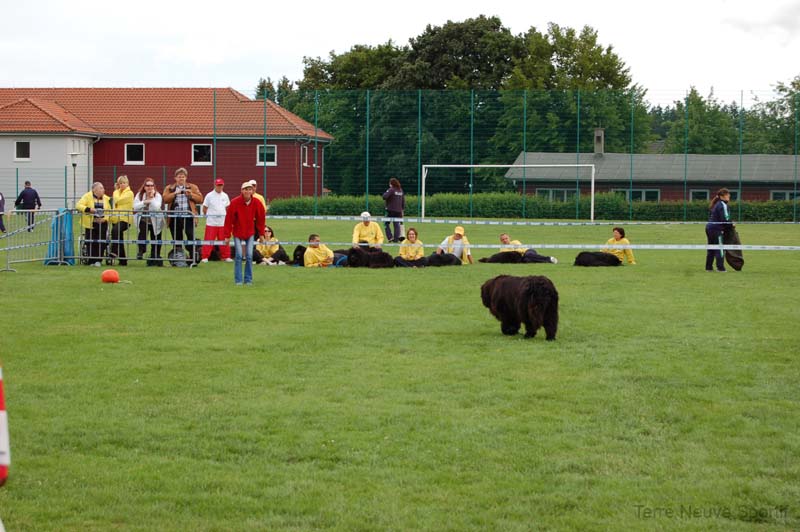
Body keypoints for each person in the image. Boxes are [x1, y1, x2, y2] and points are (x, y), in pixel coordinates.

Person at [223, 181, 266, 285]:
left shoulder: (257, 202)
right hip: (237, 232)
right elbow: (228, 220)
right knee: (238, 255)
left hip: (250, 232)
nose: (248, 191)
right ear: (242, 190)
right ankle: (238, 280)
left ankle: (248, 279)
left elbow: (261, 219)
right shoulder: (234, 202)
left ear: (252, 191)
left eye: (249, 189)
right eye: (245, 189)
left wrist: (261, 234)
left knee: (249, 256)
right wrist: (227, 236)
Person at [162, 167, 202, 264]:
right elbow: (165, 199)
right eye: (179, 177)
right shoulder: (170, 188)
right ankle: (179, 259)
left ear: (186, 178)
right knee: (177, 238)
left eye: (183, 177)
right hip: (174, 218)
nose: (181, 179)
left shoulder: (193, 187)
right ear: (175, 178)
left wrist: (191, 195)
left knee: (191, 236)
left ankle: (193, 258)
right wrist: (175, 194)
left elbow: (200, 199)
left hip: (188, 217)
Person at [76, 182, 111, 266]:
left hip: (102, 223)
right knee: (90, 241)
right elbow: (78, 205)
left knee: (101, 241)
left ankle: (98, 260)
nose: (103, 190)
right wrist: (89, 209)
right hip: (90, 223)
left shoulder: (106, 198)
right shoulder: (87, 196)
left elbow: (109, 212)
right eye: (101, 188)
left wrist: (104, 219)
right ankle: (91, 260)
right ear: (94, 189)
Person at [133, 178, 165, 266]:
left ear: (154, 187)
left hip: (155, 220)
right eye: (147, 185)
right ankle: (141, 251)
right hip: (143, 220)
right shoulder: (139, 195)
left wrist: (151, 198)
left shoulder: (157, 195)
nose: (149, 187)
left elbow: (156, 207)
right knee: (142, 235)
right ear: (144, 187)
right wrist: (144, 202)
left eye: (151, 185)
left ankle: (155, 255)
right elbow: (135, 206)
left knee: (156, 237)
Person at [200, 178, 232, 263]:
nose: (219, 187)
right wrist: (210, 217)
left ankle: (226, 256)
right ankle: (205, 256)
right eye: (218, 185)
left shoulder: (225, 195)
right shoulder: (209, 195)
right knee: (208, 240)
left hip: (222, 222)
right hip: (211, 222)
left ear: (223, 185)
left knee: (224, 239)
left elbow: (227, 207)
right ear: (215, 185)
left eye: (221, 185)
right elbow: (204, 208)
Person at [108, 175, 134, 266]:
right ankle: (123, 260)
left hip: (125, 219)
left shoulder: (130, 193)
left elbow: (119, 200)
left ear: (127, 184)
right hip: (116, 218)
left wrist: (116, 195)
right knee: (119, 237)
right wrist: (116, 193)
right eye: (121, 183)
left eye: (124, 183)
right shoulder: (116, 191)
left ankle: (114, 251)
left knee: (115, 231)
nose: (122, 185)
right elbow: (115, 199)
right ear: (118, 184)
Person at [482, 233, 558, 264]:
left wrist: (514, 251)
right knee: (527, 261)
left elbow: (521, 250)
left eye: (506, 238)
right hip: (521, 257)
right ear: (501, 241)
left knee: (528, 256)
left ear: (509, 238)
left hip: (527, 251)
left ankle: (549, 259)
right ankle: (544, 261)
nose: (505, 240)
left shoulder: (515, 241)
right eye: (503, 239)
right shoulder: (502, 249)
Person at [706, 188, 731, 272]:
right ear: (721, 196)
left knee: (711, 247)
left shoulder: (716, 204)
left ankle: (708, 267)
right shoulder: (722, 205)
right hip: (716, 229)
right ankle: (720, 268)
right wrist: (731, 225)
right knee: (720, 248)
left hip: (709, 227)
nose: (729, 196)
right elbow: (725, 219)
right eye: (727, 195)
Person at [382, 178, 405, 243]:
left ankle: (390, 237)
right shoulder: (400, 190)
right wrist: (402, 210)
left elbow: (384, 197)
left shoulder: (391, 189)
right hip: (399, 211)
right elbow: (403, 201)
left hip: (390, 210)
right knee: (396, 224)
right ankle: (396, 239)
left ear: (391, 184)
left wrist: (386, 192)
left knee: (386, 223)